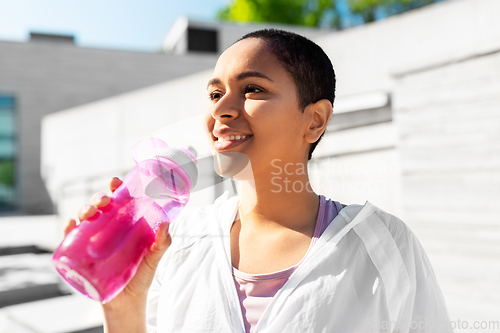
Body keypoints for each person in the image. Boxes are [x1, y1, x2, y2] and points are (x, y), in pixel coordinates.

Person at [66, 29, 452, 332]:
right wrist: (123, 310)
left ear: (314, 120)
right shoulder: (178, 244)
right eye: (215, 93)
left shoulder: (382, 245)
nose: (220, 108)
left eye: (252, 89)